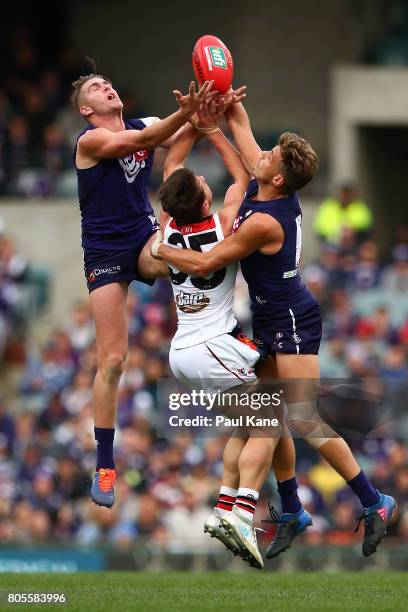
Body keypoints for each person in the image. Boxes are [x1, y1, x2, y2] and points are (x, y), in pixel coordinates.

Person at [152, 100, 396, 558]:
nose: (261, 154)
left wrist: (163, 252)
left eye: (270, 157)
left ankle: (372, 501)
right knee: (268, 415)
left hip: (292, 317)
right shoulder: (264, 185)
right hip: (265, 317)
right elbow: (241, 130)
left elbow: (205, 261)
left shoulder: (264, 220)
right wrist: (225, 105)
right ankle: (290, 510)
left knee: (302, 418)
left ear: (278, 177)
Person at [71, 71, 214, 508]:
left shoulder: (143, 124)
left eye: (108, 83)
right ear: (86, 109)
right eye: (95, 88)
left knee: (171, 253)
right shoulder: (89, 141)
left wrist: (209, 109)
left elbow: (180, 134)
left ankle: (223, 272)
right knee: (113, 359)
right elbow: (143, 142)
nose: (107, 87)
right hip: (103, 250)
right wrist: (184, 116)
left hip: (141, 234)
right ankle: (105, 463)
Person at [157, 98, 286, 569]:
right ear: (204, 200)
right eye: (201, 181)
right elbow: (243, 180)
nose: (204, 178)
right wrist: (211, 129)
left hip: (183, 350)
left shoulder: (168, 228)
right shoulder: (224, 222)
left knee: (245, 424)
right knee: (272, 418)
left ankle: (224, 508)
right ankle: (243, 512)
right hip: (212, 347)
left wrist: (191, 122)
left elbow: (172, 166)